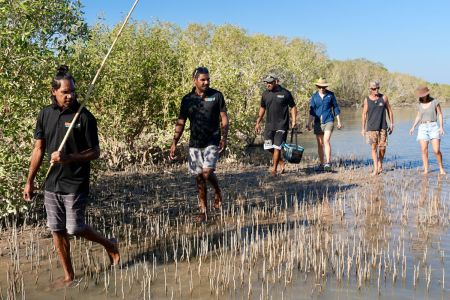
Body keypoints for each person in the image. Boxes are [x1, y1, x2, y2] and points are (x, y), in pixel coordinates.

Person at [23, 66, 120, 284]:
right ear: (54, 92)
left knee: (74, 227)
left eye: (72, 91)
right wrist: (29, 181)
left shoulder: (84, 117)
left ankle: (110, 245)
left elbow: (95, 152)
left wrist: (69, 158)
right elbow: (38, 149)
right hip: (51, 183)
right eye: (65, 92)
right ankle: (69, 275)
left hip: (76, 182)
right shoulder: (45, 114)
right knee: (57, 230)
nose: (70, 96)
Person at [169, 67, 229, 222]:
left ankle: (217, 191)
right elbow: (181, 122)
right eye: (203, 79)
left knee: (207, 173)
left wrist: (224, 136)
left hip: (212, 140)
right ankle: (203, 211)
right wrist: (174, 142)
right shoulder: (187, 99)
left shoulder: (216, 96)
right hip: (195, 143)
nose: (206, 82)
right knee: (199, 179)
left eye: (208, 79)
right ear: (194, 80)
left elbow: (224, 117)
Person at [255, 73, 297, 175]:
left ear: (276, 82)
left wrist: (294, 121)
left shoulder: (285, 93)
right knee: (269, 147)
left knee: (277, 147)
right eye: (266, 82)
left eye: (270, 82)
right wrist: (258, 122)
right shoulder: (265, 94)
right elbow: (262, 108)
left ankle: (274, 169)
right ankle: (281, 162)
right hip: (269, 125)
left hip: (282, 125)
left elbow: (293, 107)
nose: (268, 84)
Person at [306, 78, 342, 171]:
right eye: (320, 87)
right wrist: (308, 123)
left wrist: (338, 121)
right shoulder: (314, 97)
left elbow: (336, 108)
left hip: (329, 120)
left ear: (326, 86)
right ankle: (321, 163)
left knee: (326, 141)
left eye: (324, 87)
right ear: (317, 86)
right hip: (317, 122)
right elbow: (312, 111)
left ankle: (328, 163)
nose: (322, 88)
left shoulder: (331, 95)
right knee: (320, 144)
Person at [409, 86, 445, 175]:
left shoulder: (434, 102)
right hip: (422, 127)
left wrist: (441, 127)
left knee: (436, 150)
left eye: (423, 94)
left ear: (427, 94)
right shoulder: (419, 104)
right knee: (424, 150)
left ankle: (441, 168)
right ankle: (426, 170)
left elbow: (440, 114)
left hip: (433, 126)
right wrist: (413, 127)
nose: (421, 96)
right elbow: (418, 116)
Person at [361, 81, 394, 175]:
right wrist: (363, 128)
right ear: (370, 89)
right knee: (374, 148)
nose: (376, 90)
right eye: (374, 89)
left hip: (383, 127)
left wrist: (392, 124)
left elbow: (390, 111)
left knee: (382, 147)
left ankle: (380, 163)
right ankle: (375, 169)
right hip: (371, 128)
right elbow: (364, 114)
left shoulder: (384, 98)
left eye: (377, 88)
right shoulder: (367, 99)